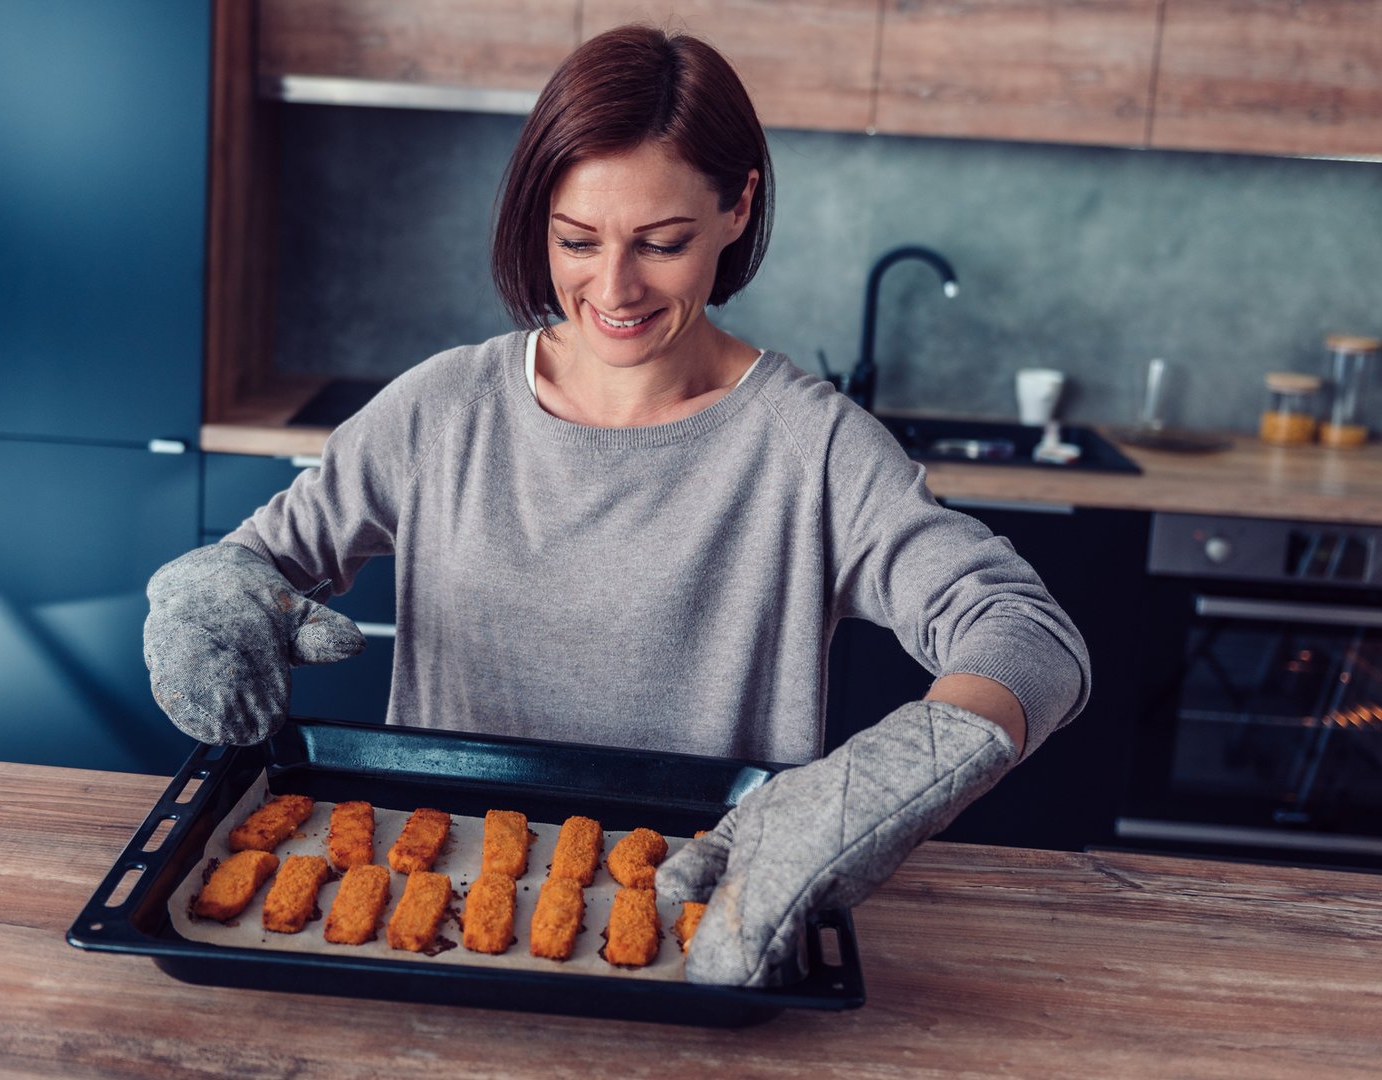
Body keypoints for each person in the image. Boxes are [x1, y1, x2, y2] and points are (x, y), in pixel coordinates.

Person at [143, 25, 1090, 988]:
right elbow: (256, 565)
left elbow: (1027, 633)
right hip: (433, 948)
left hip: (714, 929)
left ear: (737, 209)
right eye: (576, 241)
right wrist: (208, 597)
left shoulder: (813, 448)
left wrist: (897, 769)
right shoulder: (442, 408)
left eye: (662, 243)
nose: (615, 287)